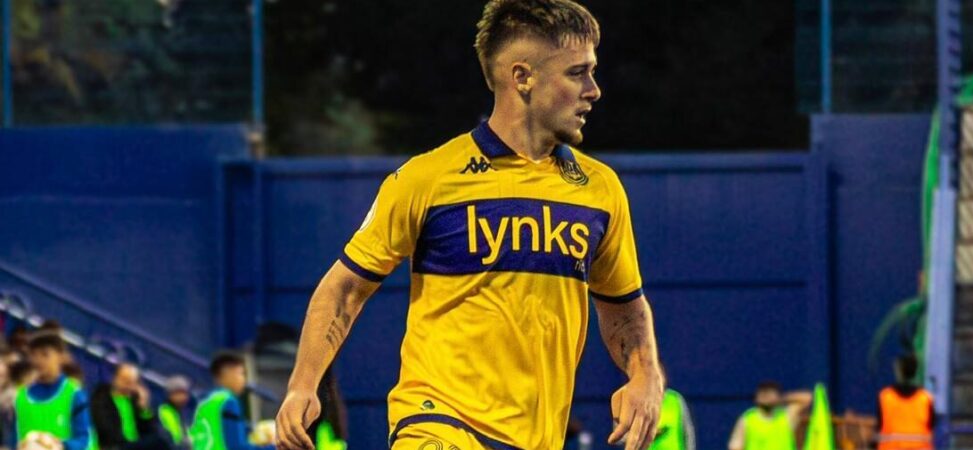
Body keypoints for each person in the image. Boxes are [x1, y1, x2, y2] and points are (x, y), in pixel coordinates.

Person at [275, 1, 664, 449]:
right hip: (435, 422)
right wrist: (302, 385)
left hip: (537, 437)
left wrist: (646, 376)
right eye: (577, 73)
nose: (593, 90)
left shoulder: (600, 190)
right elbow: (344, 288)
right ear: (522, 77)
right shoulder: (428, 178)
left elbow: (624, 307)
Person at [11, 332, 95, 450]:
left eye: (45, 354)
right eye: (34, 355)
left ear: (61, 357)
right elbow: (12, 440)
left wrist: (60, 445)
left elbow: (85, 440)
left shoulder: (74, 395)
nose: (39, 361)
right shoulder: (19, 396)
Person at [189, 353, 273, 450]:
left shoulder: (204, 402)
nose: (244, 380)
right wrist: (274, 448)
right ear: (228, 374)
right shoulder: (228, 402)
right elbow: (237, 447)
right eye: (241, 374)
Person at [90, 363, 163, 450]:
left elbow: (151, 431)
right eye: (125, 380)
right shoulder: (102, 397)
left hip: (135, 446)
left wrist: (143, 408)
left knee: (161, 440)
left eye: (132, 382)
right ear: (115, 378)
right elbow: (105, 428)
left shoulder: (134, 401)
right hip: (115, 446)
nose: (128, 385)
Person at [727, 381, 812, 450]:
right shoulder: (747, 419)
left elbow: (807, 398)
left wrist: (782, 399)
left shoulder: (787, 415)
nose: (766, 396)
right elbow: (735, 447)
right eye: (763, 393)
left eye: (770, 393)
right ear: (756, 398)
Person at [876, 356, 933, 450]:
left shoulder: (886, 397)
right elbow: (932, 426)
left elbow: (879, 426)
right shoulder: (925, 398)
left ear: (899, 371)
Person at [158, 376, 192, 448]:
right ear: (170, 394)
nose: (183, 397)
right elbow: (168, 441)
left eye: (185, 393)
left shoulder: (180, 412)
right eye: (179, 393)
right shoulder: (164, 412)